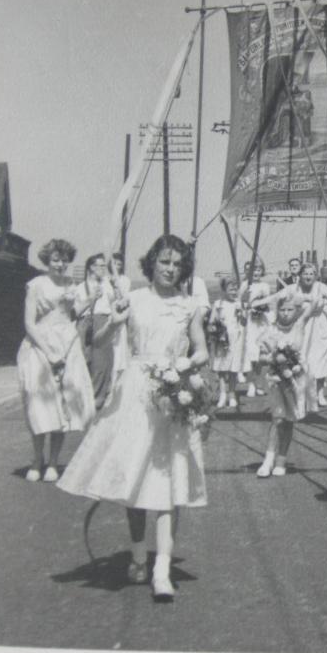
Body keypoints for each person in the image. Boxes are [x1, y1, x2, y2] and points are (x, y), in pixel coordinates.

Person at [58, 234, 209, 603]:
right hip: (137, 393)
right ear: (151, 263)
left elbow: (202, 349)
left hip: (173, 394)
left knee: (168, 480)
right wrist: (116, 320)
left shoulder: (190, 306)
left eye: (177, 264)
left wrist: (184, 365)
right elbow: (96, 339)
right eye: (164, 262)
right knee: (136, 477)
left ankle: (162, 570)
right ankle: (139, 556)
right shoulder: (134, 300)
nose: (170, 269)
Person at [17, 239, 97, 483]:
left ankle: (53, 462)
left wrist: (91, 299)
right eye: (55, 260)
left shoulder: (70, 284)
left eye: (64, 260)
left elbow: (70, 314)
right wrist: (48, 351)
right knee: (40, 403)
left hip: (67, 344)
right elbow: (30, 323)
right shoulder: (36, 285)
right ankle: (36, 459)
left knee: (64, 405)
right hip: (41, 345)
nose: (60, 264)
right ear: (47, 261)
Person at [253, 263, 327, 408]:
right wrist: (255, 303)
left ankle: (320, 393)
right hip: (300, 328)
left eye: (311, 273)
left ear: (316, 275)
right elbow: (275, 297)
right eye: (305, 273)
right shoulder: (293, 288)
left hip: (320, 328)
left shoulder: (322, 288)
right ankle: (301, 394)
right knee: (300, 362)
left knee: (320, 362)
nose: (308, 276)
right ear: (300, 275)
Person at [256, 294, 315, 478]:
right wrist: (274, 358)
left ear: (296, 310)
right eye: (282, 309)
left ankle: (281, 460)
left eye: (290, 309)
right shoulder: (270, 330)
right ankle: (268, 459)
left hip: (296, 377)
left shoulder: (299, 325)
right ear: (277, 310)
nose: (286, 313)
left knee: (289, 420)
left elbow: (313, 304)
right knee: (278, 418)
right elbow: (260, 358)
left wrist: (302, 295)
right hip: (276, 378)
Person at [76, 253, 118, 410]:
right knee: (87, 363)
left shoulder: (108, 285)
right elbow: (76, 312)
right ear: (91, 267)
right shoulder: (80, 288)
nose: (103, 269)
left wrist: (116, 285)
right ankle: (88, 401)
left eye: (104, 266)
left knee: (104, 364)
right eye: (100, 266)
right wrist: (91, 299)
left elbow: (117, 303)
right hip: (86, 325)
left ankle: (98, 400)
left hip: (104, 323)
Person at [210, 277, 245, 409]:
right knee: (221, 368)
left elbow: (244, 323)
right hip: (222, 339)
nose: (234, 292)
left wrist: (241, 313)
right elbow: (211, 323)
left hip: (236, 338)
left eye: (236, 289)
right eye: (231, 289)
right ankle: (222, 394)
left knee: (233, 369)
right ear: (224, 290)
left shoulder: (238, 304)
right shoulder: (218, 304)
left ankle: (232, 394)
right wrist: (216, 329)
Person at [242, 260, 274, 399]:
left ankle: (259, 383)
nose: (255, 273)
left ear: (262, 272)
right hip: (249, 322)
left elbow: (267, 302)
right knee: (250, 354)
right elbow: (241, 302)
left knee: (260, 355)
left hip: (261, 322)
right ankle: (251, 384)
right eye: (253, 270)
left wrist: (261, 308)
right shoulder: (245, 285)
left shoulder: (265, 286)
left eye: (258, 270)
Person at [109, 253, 132, 380]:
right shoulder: (105, 278)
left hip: (119, 314)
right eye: (114, 264)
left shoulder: (125, 279)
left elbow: (124, 296)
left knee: (119, 346)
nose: (117, 266)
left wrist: (116, 281)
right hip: (108, 314)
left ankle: (117, 374)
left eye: (119, 264)